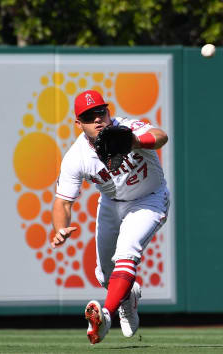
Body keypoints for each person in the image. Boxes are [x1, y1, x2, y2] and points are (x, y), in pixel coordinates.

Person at [51, 89, 170, 344]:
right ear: (78, 123)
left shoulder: (127, 128)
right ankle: (128, 299)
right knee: (105, 275)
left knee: (126, 252)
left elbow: (161, 136)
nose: (97, 119)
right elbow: (63, 202)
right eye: (88, 116)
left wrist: (134, 142)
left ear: (108, 112)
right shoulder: (77, 156)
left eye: (100, 112)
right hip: (112, 204)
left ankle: (105, 315)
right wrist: (61, 228)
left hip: (149, 198)